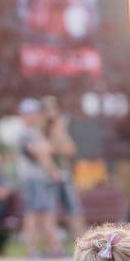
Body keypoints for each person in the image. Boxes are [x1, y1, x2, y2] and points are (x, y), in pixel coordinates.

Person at [15, 98, 63, 258]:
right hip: (32, 179)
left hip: (41, 179)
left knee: (46, 213)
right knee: (33, 214)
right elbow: (40, 152)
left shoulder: (35, 133)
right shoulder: (24, 134)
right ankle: (32, 251)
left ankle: (53, 249)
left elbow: (49, 150)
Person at [42, 96, 84, 239]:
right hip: (48, 176)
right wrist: (55, 133)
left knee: (74, 210)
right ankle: (54, 248)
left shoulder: (62, 126)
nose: (51, 112)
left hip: (65, 174)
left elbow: (70, 149)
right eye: (48, 109)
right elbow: (46, 150)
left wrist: (59, 132)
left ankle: (82, 242)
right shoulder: (41, 128)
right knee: (50, 212)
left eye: (53, 109)